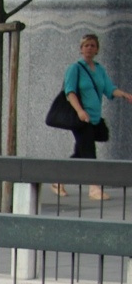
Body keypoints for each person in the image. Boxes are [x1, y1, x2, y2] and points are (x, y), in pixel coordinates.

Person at [54, 33, 132, 200]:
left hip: (94, 118)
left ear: (97, 49)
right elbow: (70, 92)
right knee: (89, 152)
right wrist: (80, 111)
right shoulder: (74, 68)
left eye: (93, 45)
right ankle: (94, 188)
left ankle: (57, 181)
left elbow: (109, 89)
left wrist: (124, 94)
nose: (89, 48)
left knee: (80, 154)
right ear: (81, 49)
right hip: (81, 119)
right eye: (86, 45)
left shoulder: (99, 69)